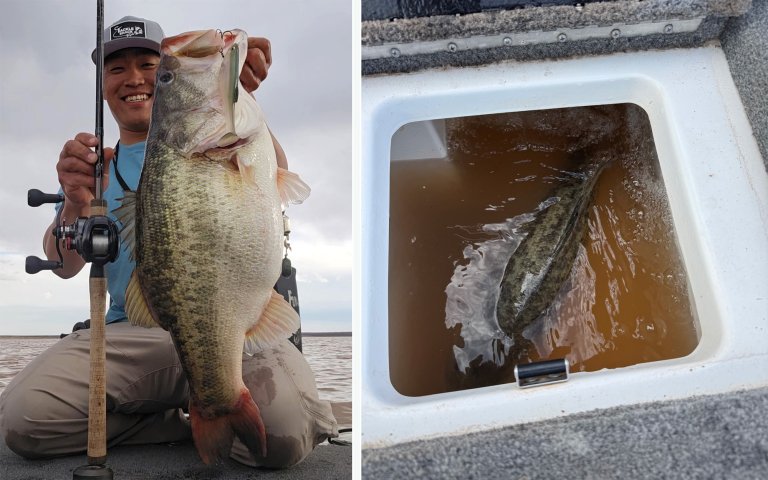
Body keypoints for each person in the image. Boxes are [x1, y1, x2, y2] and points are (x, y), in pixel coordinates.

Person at [0, 16, 337, 468]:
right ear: (103, 85)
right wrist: (76, 203)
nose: (135, 79)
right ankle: (173, 423)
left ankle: (204, 408)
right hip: (129, 333)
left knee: (285, 435)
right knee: (23, 420)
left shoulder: (233, 136)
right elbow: (63, 263)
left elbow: (272, 164)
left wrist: (240, 88)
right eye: (117, 69)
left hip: (232, 328)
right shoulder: (95, 166)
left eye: (152, 67)